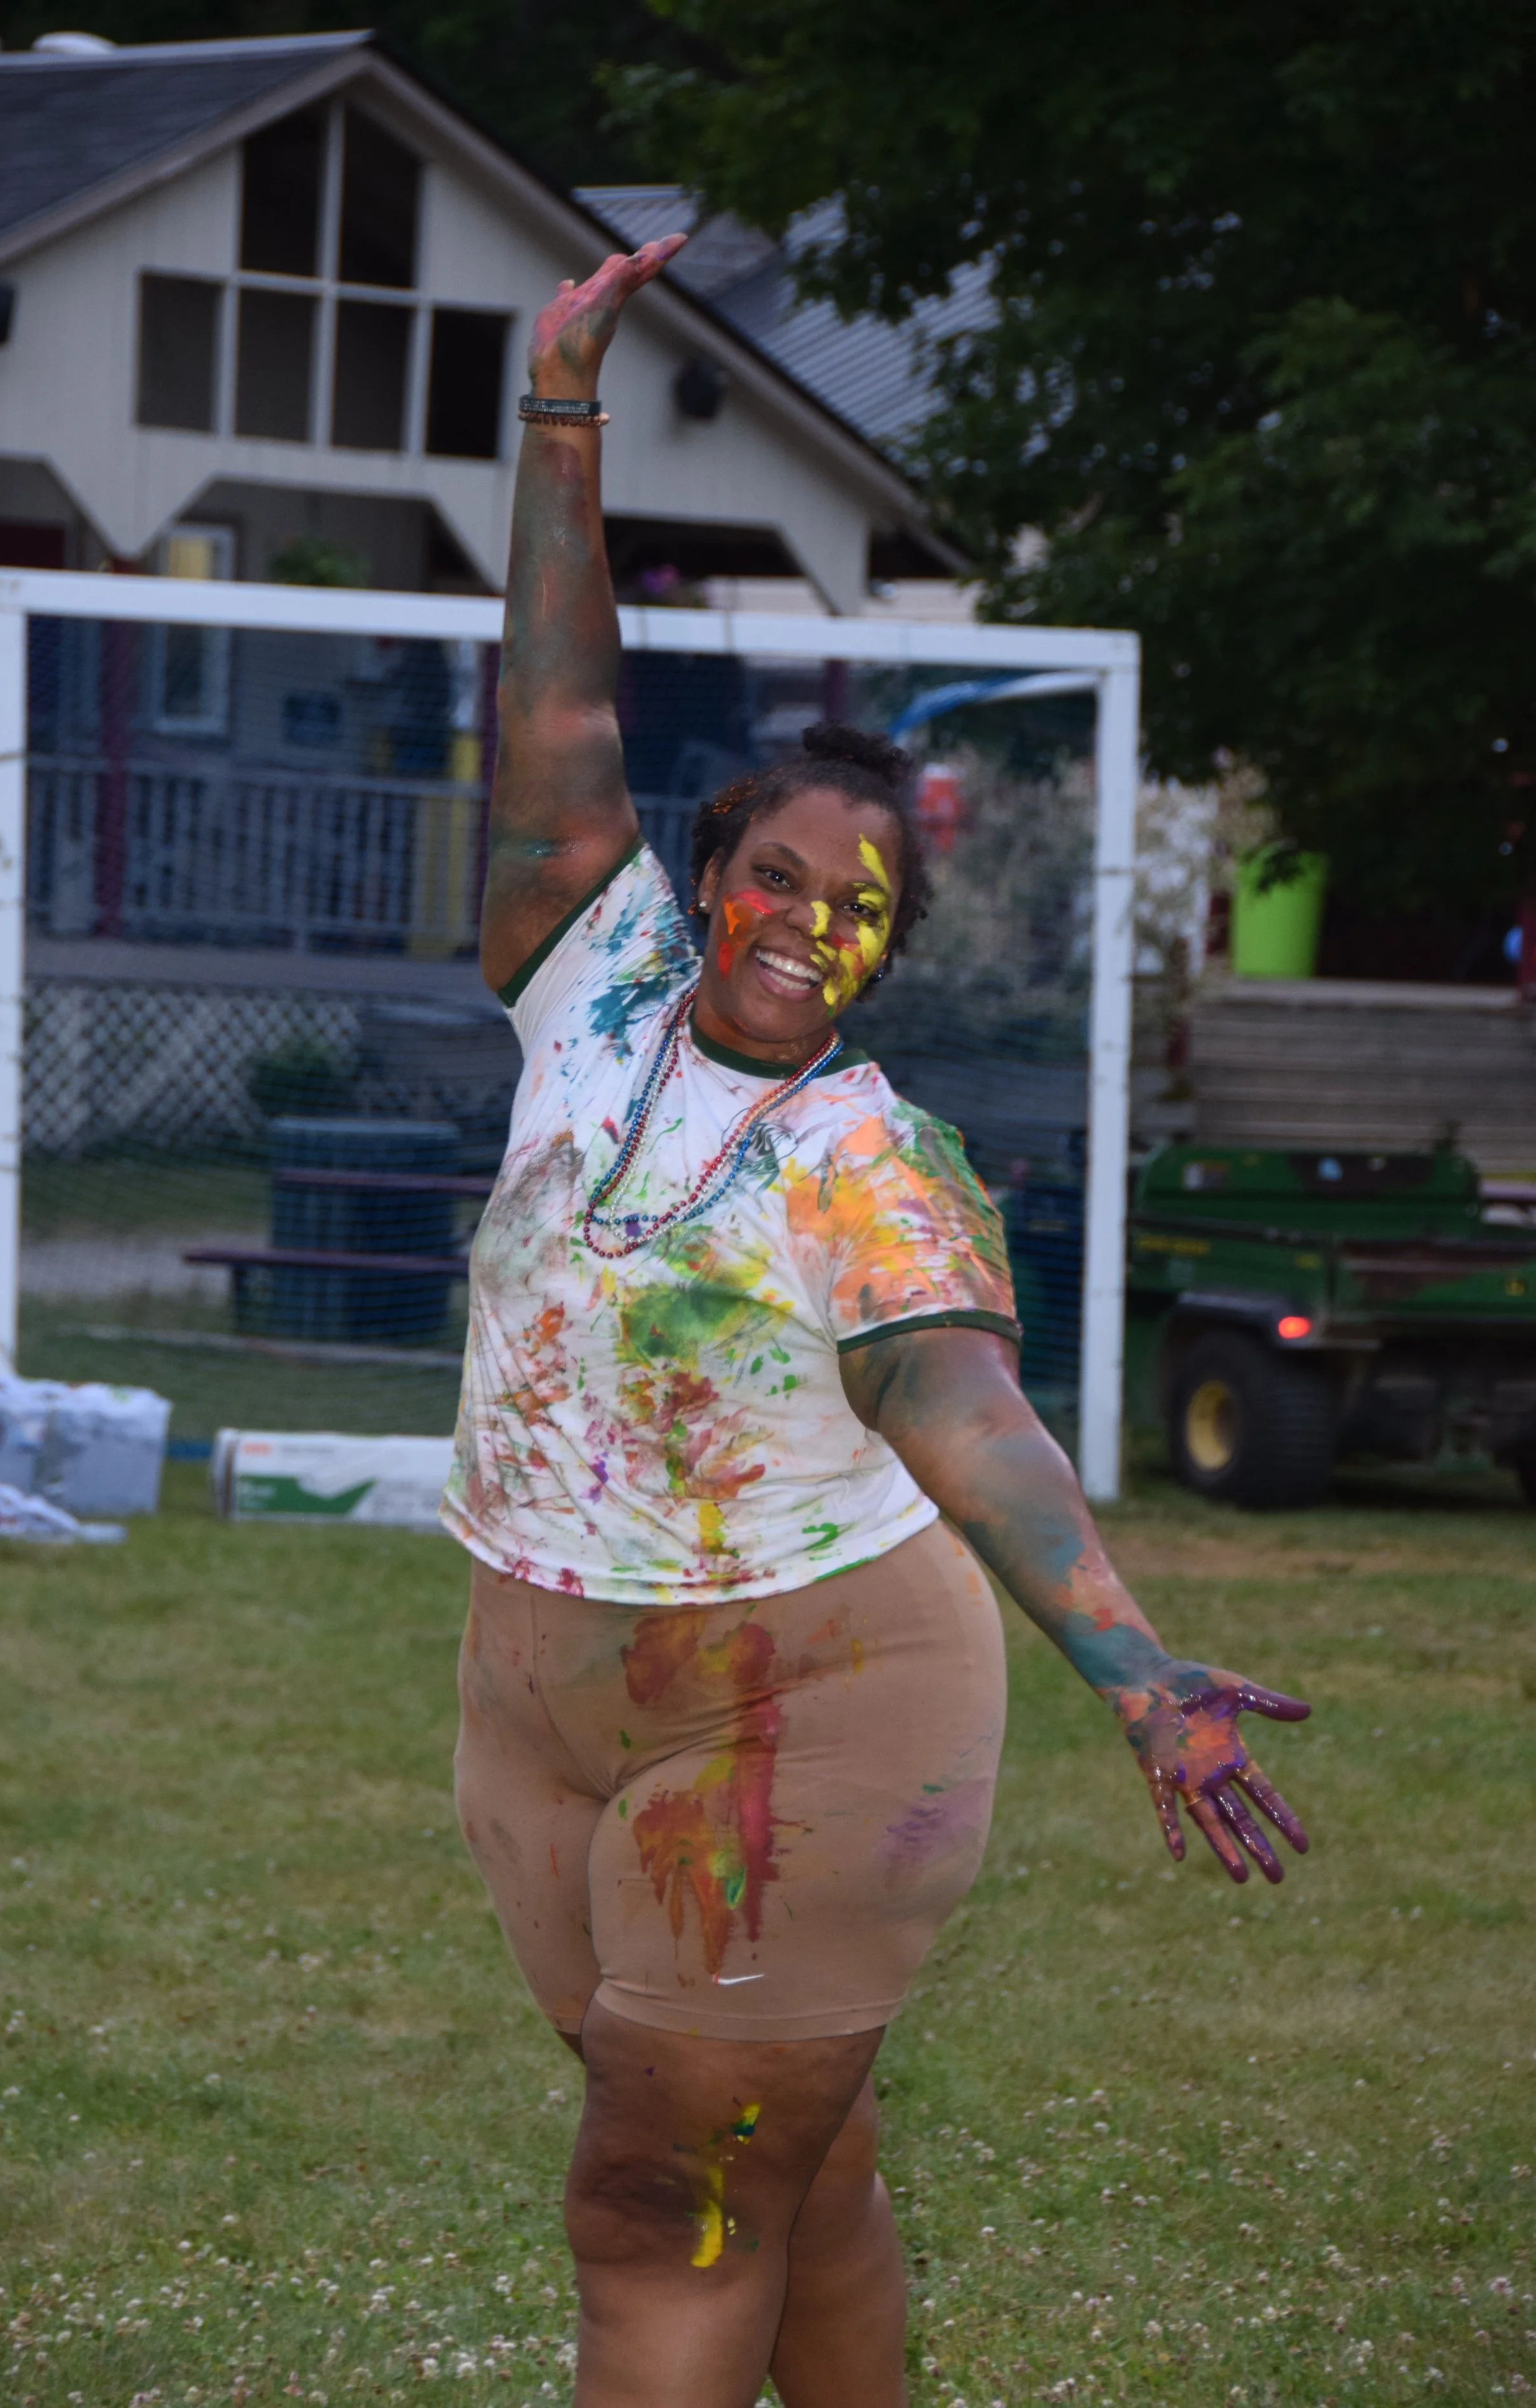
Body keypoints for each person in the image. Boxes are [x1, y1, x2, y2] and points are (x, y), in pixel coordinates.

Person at [443, 240, 1311, 2408]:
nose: (810, 925)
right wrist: (564, 406)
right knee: (777, 2174)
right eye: (777, 875)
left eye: (862, 911)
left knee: (659, 2201)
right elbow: (554, 709)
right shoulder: (587, 984)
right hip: (541, 1689)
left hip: (804, 1709)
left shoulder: (868, 1148)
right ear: (698, 867)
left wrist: (1132, 1665)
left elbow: (961, 1399)